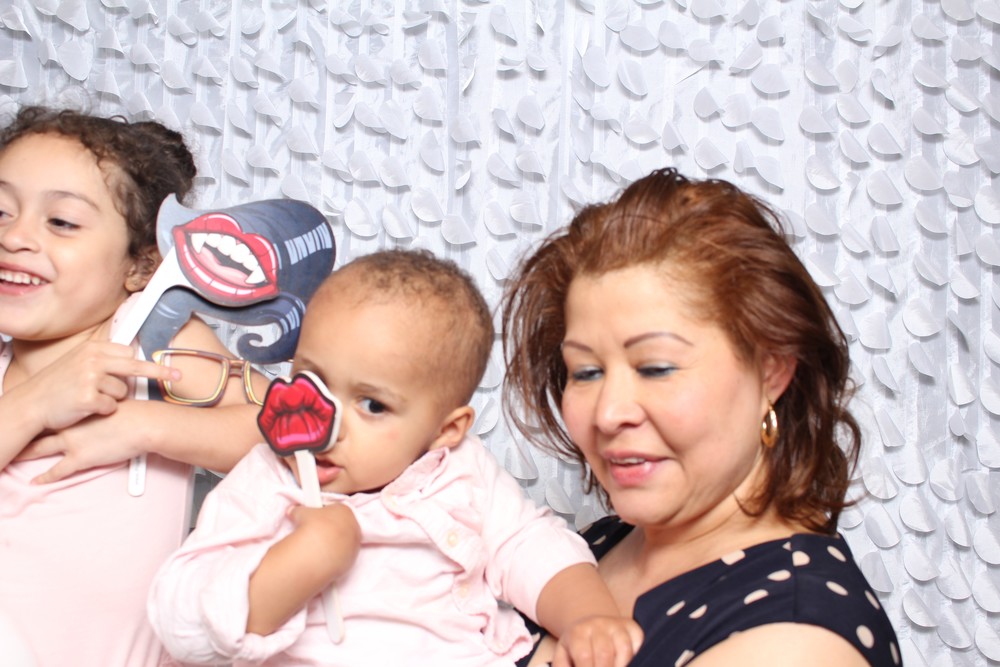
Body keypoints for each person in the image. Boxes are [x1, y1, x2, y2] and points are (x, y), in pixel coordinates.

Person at [148, 249, 644, 667]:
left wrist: (587, 617)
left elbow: (527, 546)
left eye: (372, 405)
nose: (327, 421)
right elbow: (179, 619)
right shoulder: (270, 477)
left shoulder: (461, 472)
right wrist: (302, 561)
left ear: (445, 430)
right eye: (312, 381)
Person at [501, 168, 902, 667]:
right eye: (586, 372)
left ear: (771, 371)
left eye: (656, 368)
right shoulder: (593, 547)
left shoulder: (795, 637)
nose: (608, 413)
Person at [0, 106, 267, 666]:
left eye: (61, 222)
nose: (15, 236)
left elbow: (294, 431)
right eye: (0, 212)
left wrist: (144, 426)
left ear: (142, 268)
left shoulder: (149, 339)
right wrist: (32, 404)